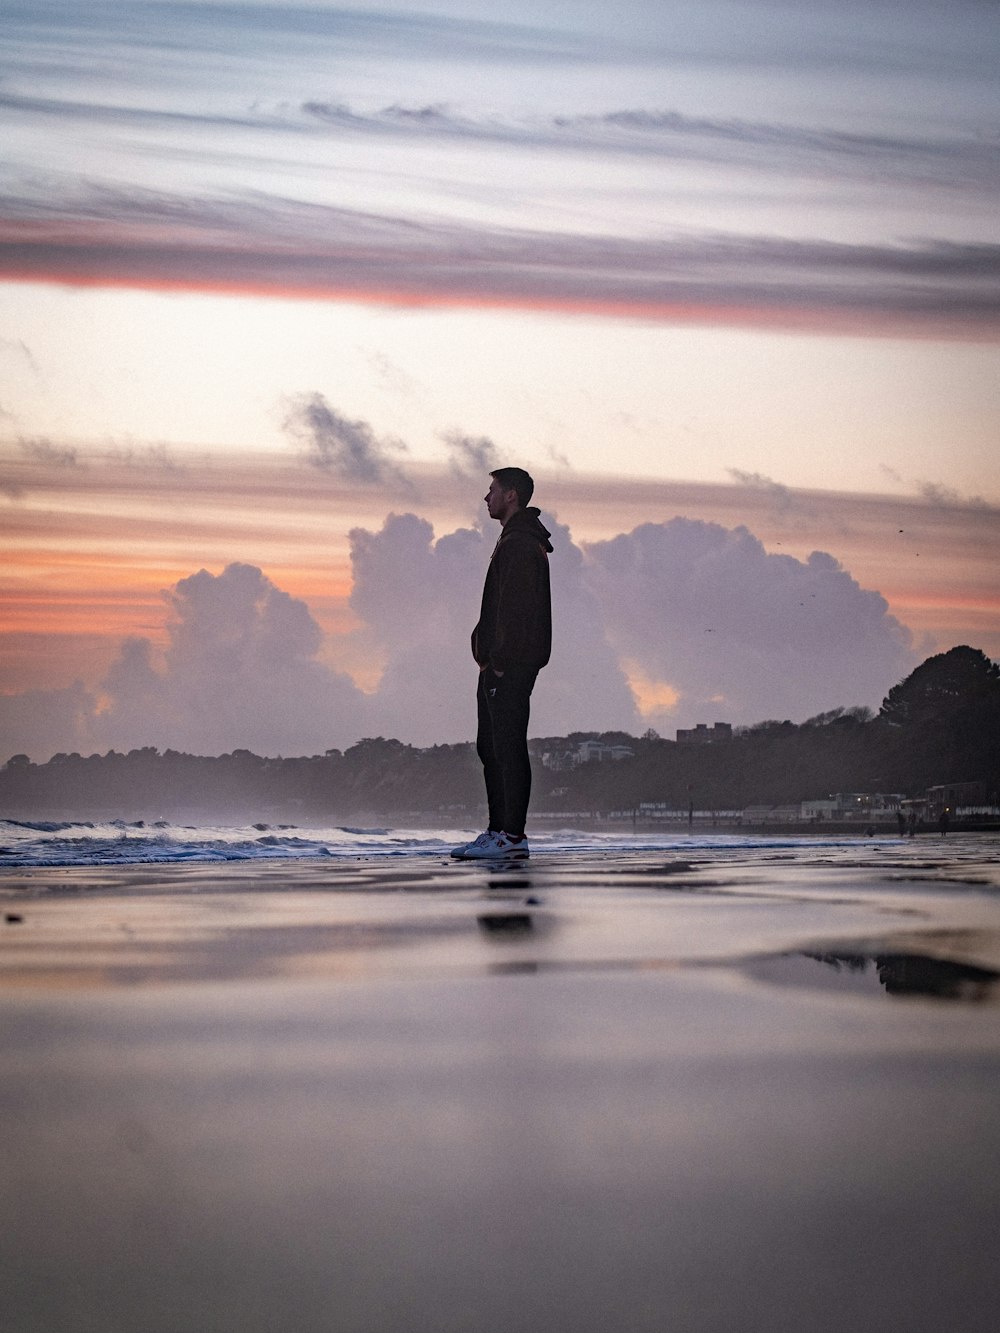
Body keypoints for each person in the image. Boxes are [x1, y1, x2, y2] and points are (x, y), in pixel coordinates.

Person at [451, 467, 552, 860]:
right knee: (491, 747)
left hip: (508, 664)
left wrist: (500, 661)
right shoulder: (515, 539)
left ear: (511, 495)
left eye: (491, 490)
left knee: (507, 747)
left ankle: (511, 836)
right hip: (500, 662)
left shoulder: (520, 543)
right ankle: (498, 831)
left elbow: (516, 609)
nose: (485, 497)